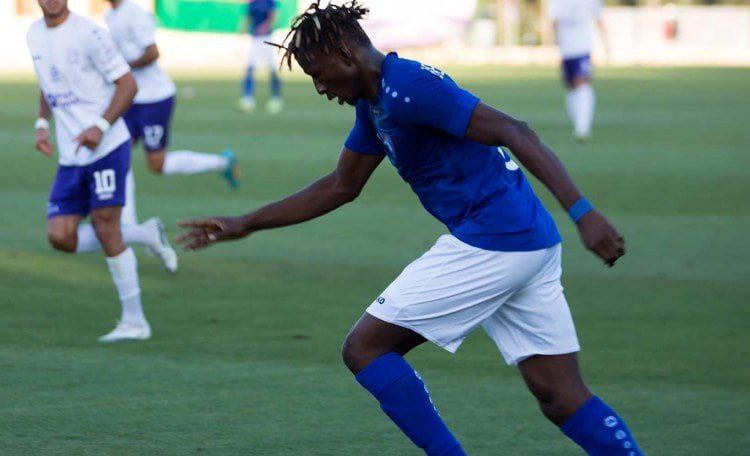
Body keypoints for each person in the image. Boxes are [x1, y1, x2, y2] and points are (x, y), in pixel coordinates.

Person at [178, 2, 643, 454]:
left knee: (365, 349)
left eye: (319, 73)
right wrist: (246, 224)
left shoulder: (409, 87)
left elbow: (514, 130)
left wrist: (584, 213)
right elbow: (341, 186)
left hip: (494, 239)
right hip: (528, 241)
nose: (319, 87)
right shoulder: (374, 102)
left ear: (346, 54)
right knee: (559, 395)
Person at [28, 0, 177, 342]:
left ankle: (135, 321)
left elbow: (128, 85)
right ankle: (145, 234)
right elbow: (47, 82)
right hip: (72, 154)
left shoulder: (90, 33)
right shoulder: (34, 34)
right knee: (60, 236)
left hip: (107, 146)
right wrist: (41, 124)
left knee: (106, 226)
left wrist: (100, 125)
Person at [105, 0, 240, 193]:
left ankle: (222, 163)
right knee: (117, 154)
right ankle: (124, 212)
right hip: (130, 99)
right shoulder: (110, 14)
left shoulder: (133, 13)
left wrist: (124, 68)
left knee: (157, 164)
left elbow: (153, 52)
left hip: (154, 99)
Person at [549, 0, 608, 141]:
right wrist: (555, 41)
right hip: (566, 49)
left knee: (582, 82)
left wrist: (606, 42)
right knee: (571, 86)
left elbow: (598, 16)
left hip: (582, 47)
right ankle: (577, 121)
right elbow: (554, 20)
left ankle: (583, 127)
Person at [238, 0, 283, 114]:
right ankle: (247, 99)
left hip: (268, 38)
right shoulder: (252, 2)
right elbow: (248, 18)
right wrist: (242, 30)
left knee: (273, 70)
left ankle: (276, 99)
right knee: (250, 68)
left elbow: (273, 16)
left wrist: (265, 26)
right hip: (255, 39)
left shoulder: (270, 2)